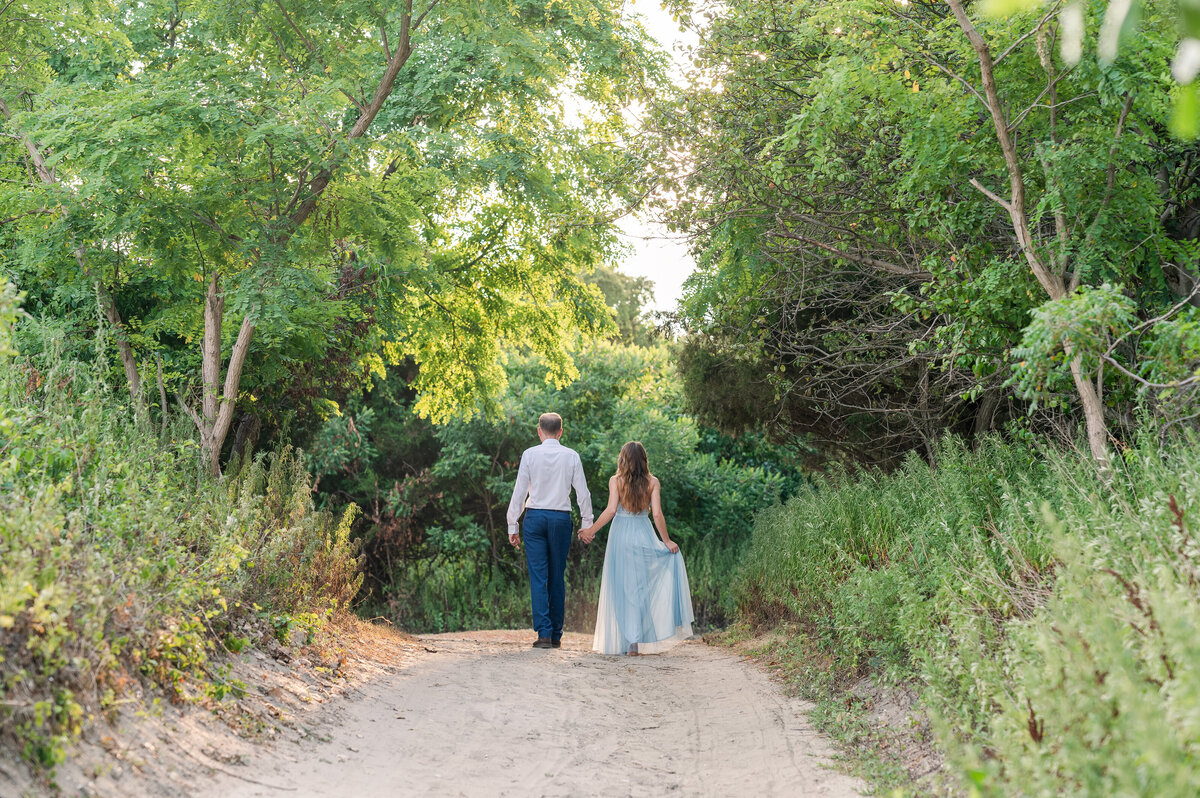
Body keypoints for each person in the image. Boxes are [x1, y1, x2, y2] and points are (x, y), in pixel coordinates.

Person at [578, 441, 694, 656]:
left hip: (620, 535)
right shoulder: (653, 482)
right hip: (643, 533)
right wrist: (666, 541)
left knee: (621, 588)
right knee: (640, 588)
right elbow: (657, 514)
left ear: (623, 458)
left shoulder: (616, 481)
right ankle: (635, 640)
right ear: (644, 459)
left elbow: (611, 510)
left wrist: (590, 531)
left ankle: (628, 639)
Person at [506, 412, 593, 649]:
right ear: (561, 432)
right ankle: (556, 634)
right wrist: (587, 524)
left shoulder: (530, 455)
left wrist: (512, 524)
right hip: (560, 519)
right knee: (557, 576)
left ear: (539, 431)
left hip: (534, 518)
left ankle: (543, 633)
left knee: (538, 576)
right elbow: (582, 494)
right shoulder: (571, 456)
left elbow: (520, 491)